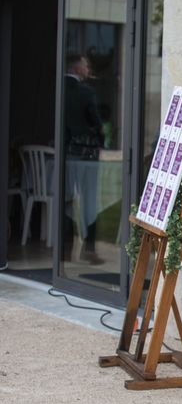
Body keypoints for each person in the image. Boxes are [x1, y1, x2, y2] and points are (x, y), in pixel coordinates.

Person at [63, 54, 103, 265]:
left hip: (64, 153)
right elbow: (96, 123)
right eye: (86, 66)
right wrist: (100, 139)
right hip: (85, 153)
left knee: (66, 199)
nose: (89, 69)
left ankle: (64, 251)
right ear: (78, 69)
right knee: (88, 200)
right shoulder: (86, 92)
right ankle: (89, 249)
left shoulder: (58, 89)